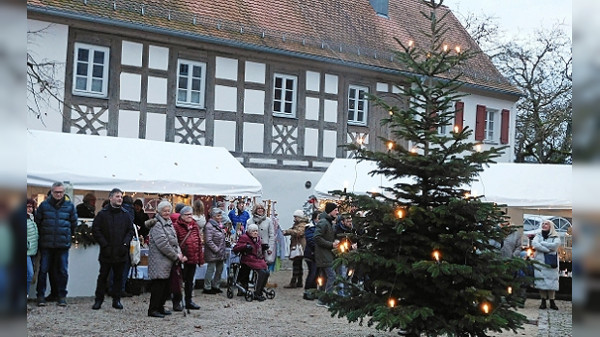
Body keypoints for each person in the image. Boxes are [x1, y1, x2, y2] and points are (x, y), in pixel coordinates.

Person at [35, 182, 78, 307]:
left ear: (64, 193)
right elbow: (38, 222)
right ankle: (41, 296)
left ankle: (61, 296)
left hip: (62, 245)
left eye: (61, 192)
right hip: (47, 244)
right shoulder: (44, 206)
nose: (58, 194)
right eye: (56, 192)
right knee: (43, 270)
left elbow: (74, 223)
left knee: (63, 271)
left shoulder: (70, 206)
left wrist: (67, 237)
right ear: (52, 192)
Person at [91, 188, 134, 310]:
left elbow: (130, 231)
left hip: (121, 252)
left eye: (121, 196)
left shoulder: (126, 215)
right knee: (103, 276)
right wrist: (104, 244)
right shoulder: (102, 214)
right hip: (107, 252)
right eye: (117, 196)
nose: (120, 198)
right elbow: (96, 230)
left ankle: (117, 299)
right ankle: (99, 300)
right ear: (110, 198)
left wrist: (125, 244)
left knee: (119, 277)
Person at [146, 201, 187, 318]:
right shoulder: (157, 224)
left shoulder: (169, 223)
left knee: (165, 287)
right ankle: (153, 309)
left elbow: (174, 241)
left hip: (168, 261)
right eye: (164, 211)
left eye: (168, 210)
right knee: (158, 286)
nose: (167, 213)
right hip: (159, 261)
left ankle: (160, 307)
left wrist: (179, 253)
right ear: (159, 211)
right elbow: (163, 244)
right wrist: (175, 255)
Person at [173, 206, 203, 310]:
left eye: (191, 214)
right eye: (187, 214)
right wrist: (179, 255)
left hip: (193, 258)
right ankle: (177, 302)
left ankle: (189, 301)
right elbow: (174, 243)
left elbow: (198, 242)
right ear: (182, 215)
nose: (190, 216)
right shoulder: (176, 226)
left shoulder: (195, 226)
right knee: (178, 282)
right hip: (182, 259)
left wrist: (200, 259)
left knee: (190, 282)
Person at [233, 224, 270, 301]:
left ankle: (260, 290)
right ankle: (257, 293)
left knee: (266, 272)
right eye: (253, 231)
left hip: (257, 258)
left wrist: (263, 247)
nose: (255, 233)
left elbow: (258, 249)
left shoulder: (258, 239)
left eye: (256, 231)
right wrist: (245, 246)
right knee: (262, 272)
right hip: (248, 259)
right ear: (249, 232)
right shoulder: (244, 237)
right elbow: (236, 248)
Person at [314, 202, 340, 307]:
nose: (337, 212)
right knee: (332, 276)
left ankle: (321, 300)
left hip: (327, 253)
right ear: (330, 211)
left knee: (325, 277)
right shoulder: (324, 222)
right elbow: (317, 237)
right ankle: (327, 300)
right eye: (335, 210)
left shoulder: (328, 222)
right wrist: (331, 244)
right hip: (324, 254)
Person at [532, 220, 561, 310]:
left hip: (550, 263)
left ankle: (552, 301)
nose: (544, 225)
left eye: (546, 224)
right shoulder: (538, 235)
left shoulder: (555, 236)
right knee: (541, 282)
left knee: (551, 281)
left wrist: (543, 244)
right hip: (540, 262)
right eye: (543, 224)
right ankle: (543, 301)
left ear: (550, 226)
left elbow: (555, 246)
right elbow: (535, 244)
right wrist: (547, 249)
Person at [203, 208, 227, 295]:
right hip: (213, 252)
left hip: (220, 252)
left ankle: (216, 285)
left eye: (220, 215)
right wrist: (216, 249)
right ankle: (207, 287)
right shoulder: (209, 226)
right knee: (211, 269)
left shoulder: (219, 225)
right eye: (218, 215)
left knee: (220, 269)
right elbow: (208, 241)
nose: (220, 217)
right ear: (213, 216)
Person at [282, 210, 307, 288]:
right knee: (298, 265)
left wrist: (288, 231)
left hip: (299, 247)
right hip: (298, 246)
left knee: (296, 264)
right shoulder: (298, 224)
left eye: (295, 216)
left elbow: (299, 232)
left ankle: (294, 282)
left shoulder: (302, 224)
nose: (294, 218)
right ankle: (299, 282)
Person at [246, 203, 275, 268]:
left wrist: (270, 248)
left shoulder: (268, 221)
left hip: (265, 247)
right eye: (258, 208)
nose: (260, 210)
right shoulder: (249, 221)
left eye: (261, 208)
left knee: (266, 265)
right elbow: (247, 235)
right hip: (254, 247)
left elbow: (272, 235)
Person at [302, 210, 319, 300]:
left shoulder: (318, 227)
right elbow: (311, 240)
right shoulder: (310, 227)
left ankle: (314, 291)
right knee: (312, 273)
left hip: (317, 254)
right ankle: (307, 292)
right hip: (311, 254)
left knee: (316, 274)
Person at [27, 199, 39, 298]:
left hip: (32, 251)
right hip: (26, 251)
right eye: (27, 207)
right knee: (29, 274)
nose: (29, 209)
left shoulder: (32, 219)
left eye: (31, 207)